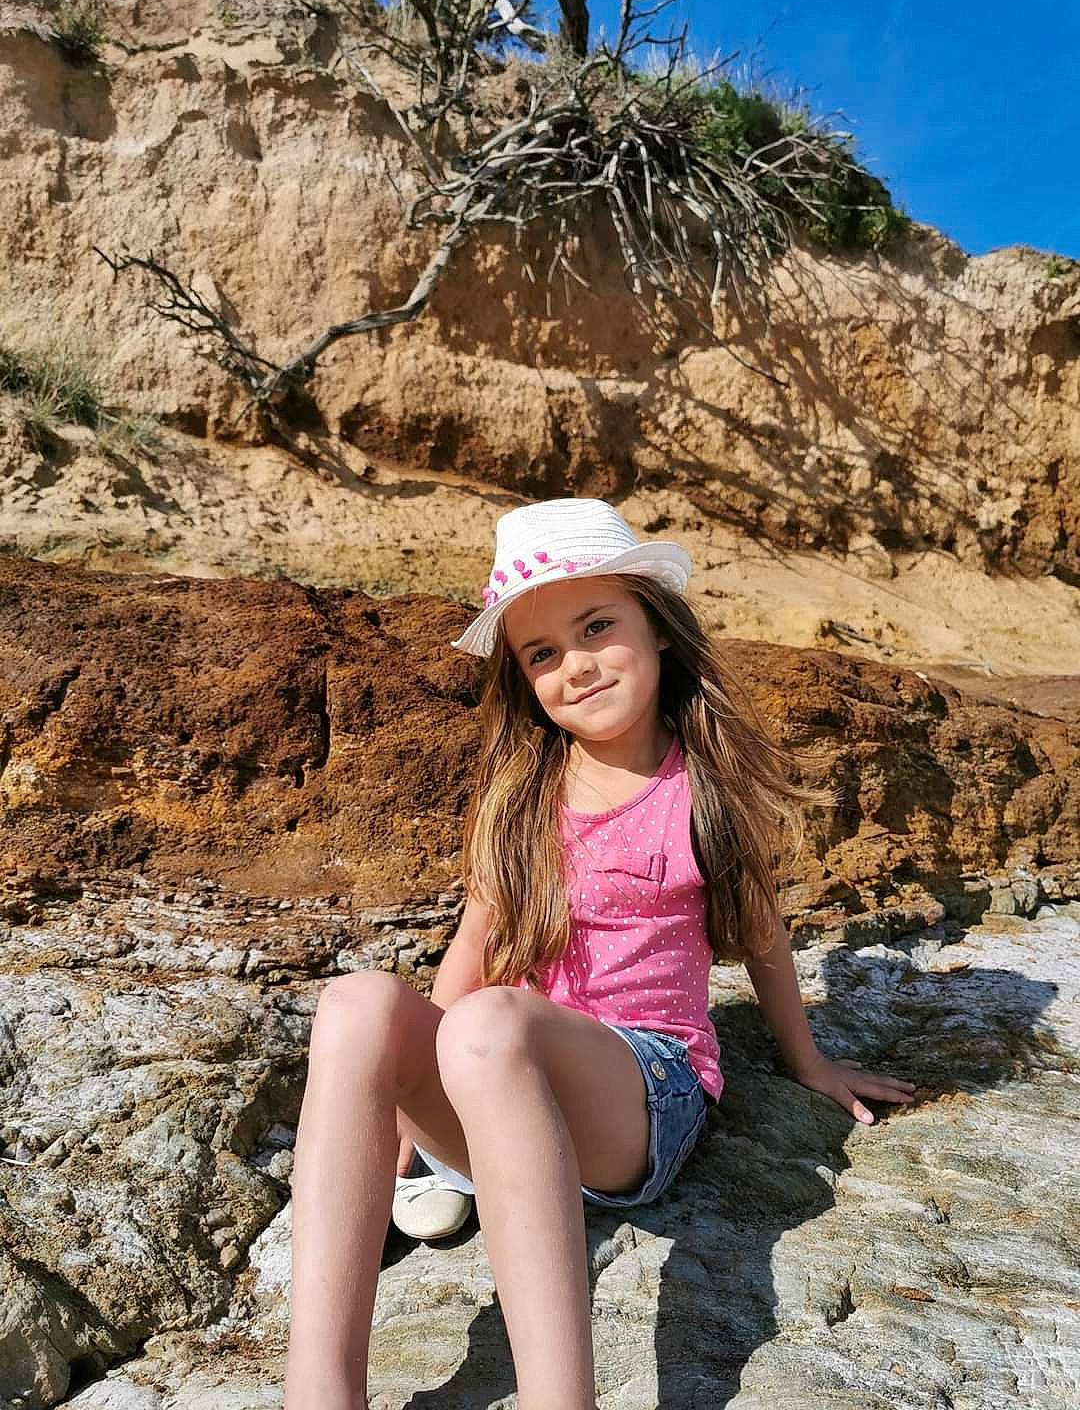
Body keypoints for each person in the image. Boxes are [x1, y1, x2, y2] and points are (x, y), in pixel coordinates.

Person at [283, 497, 917, 1410]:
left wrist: (808, 1061)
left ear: (657, 630)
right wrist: (396, 1130)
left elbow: (765, 937)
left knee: (487, 1025)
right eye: (542, 653)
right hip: (494, 1088)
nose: (574, 665)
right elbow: (469, 954)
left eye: (596, 628)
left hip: (639, 1095)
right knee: (356, 1005)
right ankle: (319, 1392)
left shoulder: (700, 792)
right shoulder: (524, 798)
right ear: (524, 682)